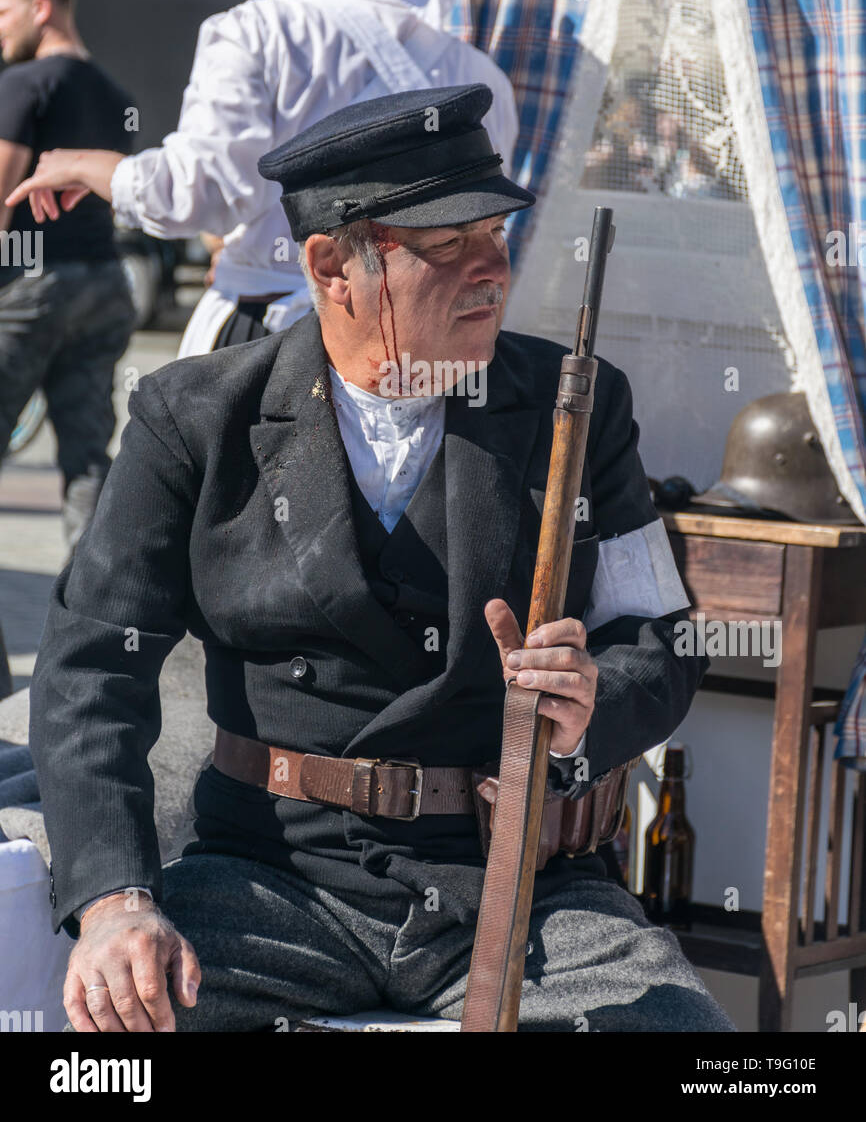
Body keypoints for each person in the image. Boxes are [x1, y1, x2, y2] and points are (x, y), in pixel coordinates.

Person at [30, 82, 734, 1033]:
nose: (492, 271)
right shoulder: (194, 418)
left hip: (520, 889)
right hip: (267, 881)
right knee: (119, 1046)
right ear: (332, 266)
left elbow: (657, 638)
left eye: (496, 237)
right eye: (449, 247)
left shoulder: (578, 405)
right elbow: (90, 672)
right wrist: (116, 899)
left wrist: (591, 705)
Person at [5, 0, 518, 357]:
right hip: (428, 347)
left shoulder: (259, 32)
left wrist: (94, 167)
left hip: (277, 343)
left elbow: (202, 191)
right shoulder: (478, 74)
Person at [0, 0, 136, 551]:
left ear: (41, 7)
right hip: (105, 281)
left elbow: (2, 196)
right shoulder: (114, 94)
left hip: (33, 286)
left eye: (3, 13)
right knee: (87, 459)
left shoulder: (22, 83)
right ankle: (93, 618)